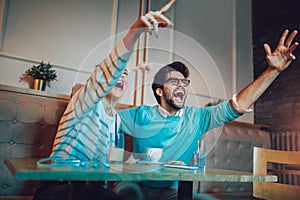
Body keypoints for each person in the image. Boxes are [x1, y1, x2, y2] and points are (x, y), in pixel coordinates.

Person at [113, 29, 298, 200]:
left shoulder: (197, 118)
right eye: (174, 81)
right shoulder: (140, 114)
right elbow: (100, 119)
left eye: (184, 82)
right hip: (135, 187)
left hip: (173, 192)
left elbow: (237, 105)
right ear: (160, 91)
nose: (181, 86)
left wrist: (272, 71)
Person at [32, 10, 173, 200]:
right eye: (118, 73)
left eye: (125, 74)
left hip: (91, 191)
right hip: (59, 188)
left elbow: (109, 163)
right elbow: (105, 75)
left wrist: (144, 162)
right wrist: (134, 32)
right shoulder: (84, 101)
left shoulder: (115, 119)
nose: (121, 75)